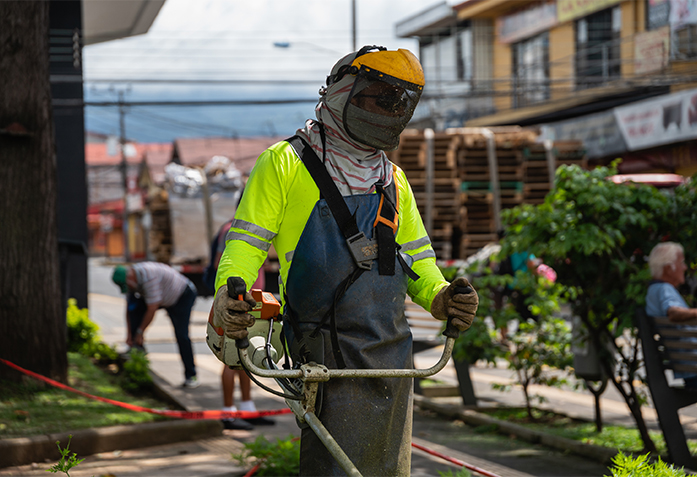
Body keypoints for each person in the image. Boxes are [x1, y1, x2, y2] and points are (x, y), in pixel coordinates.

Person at [210, 45, 479, 475]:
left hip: (391, 361)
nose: (390, 110)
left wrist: (442, 297)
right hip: (320, 359)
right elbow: (245, 247)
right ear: (342, 93)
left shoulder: (392, 179)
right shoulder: (283, 163)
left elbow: (418, 264)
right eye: (381, 97)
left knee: (386, 467)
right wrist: (230, 295)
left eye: (398, 102)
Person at [205, 218, 275, 430]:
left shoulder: (259, 229)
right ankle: (228, 412)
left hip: (253, 303)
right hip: (236, 302)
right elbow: (220, 263)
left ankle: (247, 408)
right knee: (231, 358)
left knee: (247, 353)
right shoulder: (232, 230)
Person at [112, 262, 199, 388]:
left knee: (182, 335)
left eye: (128, 286)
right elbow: (129, 309)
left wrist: (141, 332)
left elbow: (152, 308)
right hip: (164, 296)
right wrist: (130, 334)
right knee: (135, 309)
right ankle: (136, 352)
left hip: (182, 296)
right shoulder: (132, 279)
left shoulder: (149, 277)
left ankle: (191, 375)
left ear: (130, 278)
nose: (129, 289)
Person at [646, 242, 697, 387]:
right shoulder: (664, 289)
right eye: (681, 263)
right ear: (668, 268)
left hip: (688, 366)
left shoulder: (654, 291)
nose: (685, 267)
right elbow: (673, 312)